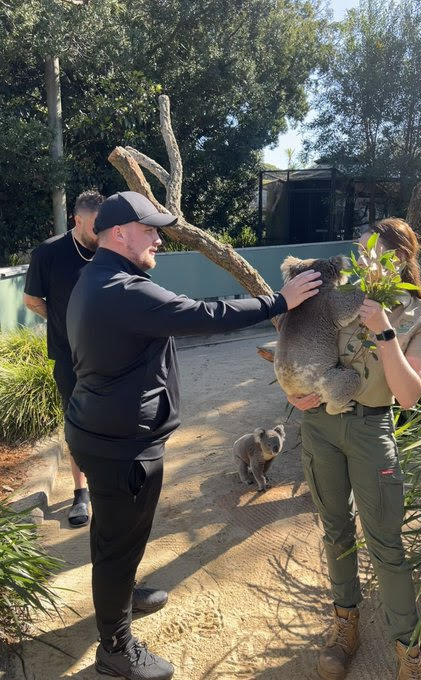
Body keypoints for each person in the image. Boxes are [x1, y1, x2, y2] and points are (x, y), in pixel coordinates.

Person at [65, 191, 323, 680]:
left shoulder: (93, 279)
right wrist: (279, 301)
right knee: (120, 541)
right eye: (151, 230)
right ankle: (115, 649)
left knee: (115, 538)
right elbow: (206, 315)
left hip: (100, 431)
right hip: (123, 447)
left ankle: (121, 595)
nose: (159, 239)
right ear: (119, 233)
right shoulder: (124, 289)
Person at [284, 218, 421, 680]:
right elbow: (299, 342)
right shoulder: (337, 298)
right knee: (335, 530)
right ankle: (345, 625)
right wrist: (293, 390)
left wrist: (384, 329)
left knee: (385, 544)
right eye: (360, 251)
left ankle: (408, 649)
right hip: (320, 425)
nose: (362, 260)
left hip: (372, 430)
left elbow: (409, 394)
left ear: (398, 258)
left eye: (372, 251)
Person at [24, 189, 105, 527]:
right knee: (77, 424)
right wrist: (61, 322)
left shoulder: (111, 251)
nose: (102, 232)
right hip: (67, 356)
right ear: (78, 219)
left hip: (110, 353)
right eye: (96, 225)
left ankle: (111, 480)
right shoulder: (49, 253)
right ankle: (81, 492)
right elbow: (31, 300)